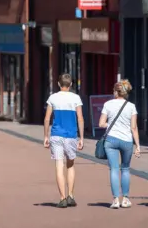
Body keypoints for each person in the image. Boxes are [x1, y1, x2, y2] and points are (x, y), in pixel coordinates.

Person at [98, 79, 141, 209]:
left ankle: (115, 199)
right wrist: (138, 145)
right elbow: (133, 127)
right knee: (126, 169)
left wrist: (111, 125)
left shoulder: (108, 104)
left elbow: (101, 123)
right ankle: (126, 199)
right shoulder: (131, 106)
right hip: (127, 140)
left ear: (116, 92)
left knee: (114, 169)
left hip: (111, 140)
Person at [43, 74, 84, 208]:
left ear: (59, 84)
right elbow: (80, 118)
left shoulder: (53, 98)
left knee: (59, 166)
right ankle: (71, 195)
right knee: (70, 165)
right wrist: (81, 138)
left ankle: (62, 198)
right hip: (71, 135)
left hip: (56, 135)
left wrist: (46, 136)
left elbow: (47, 119)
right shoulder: (75, 98)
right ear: (71, 84)